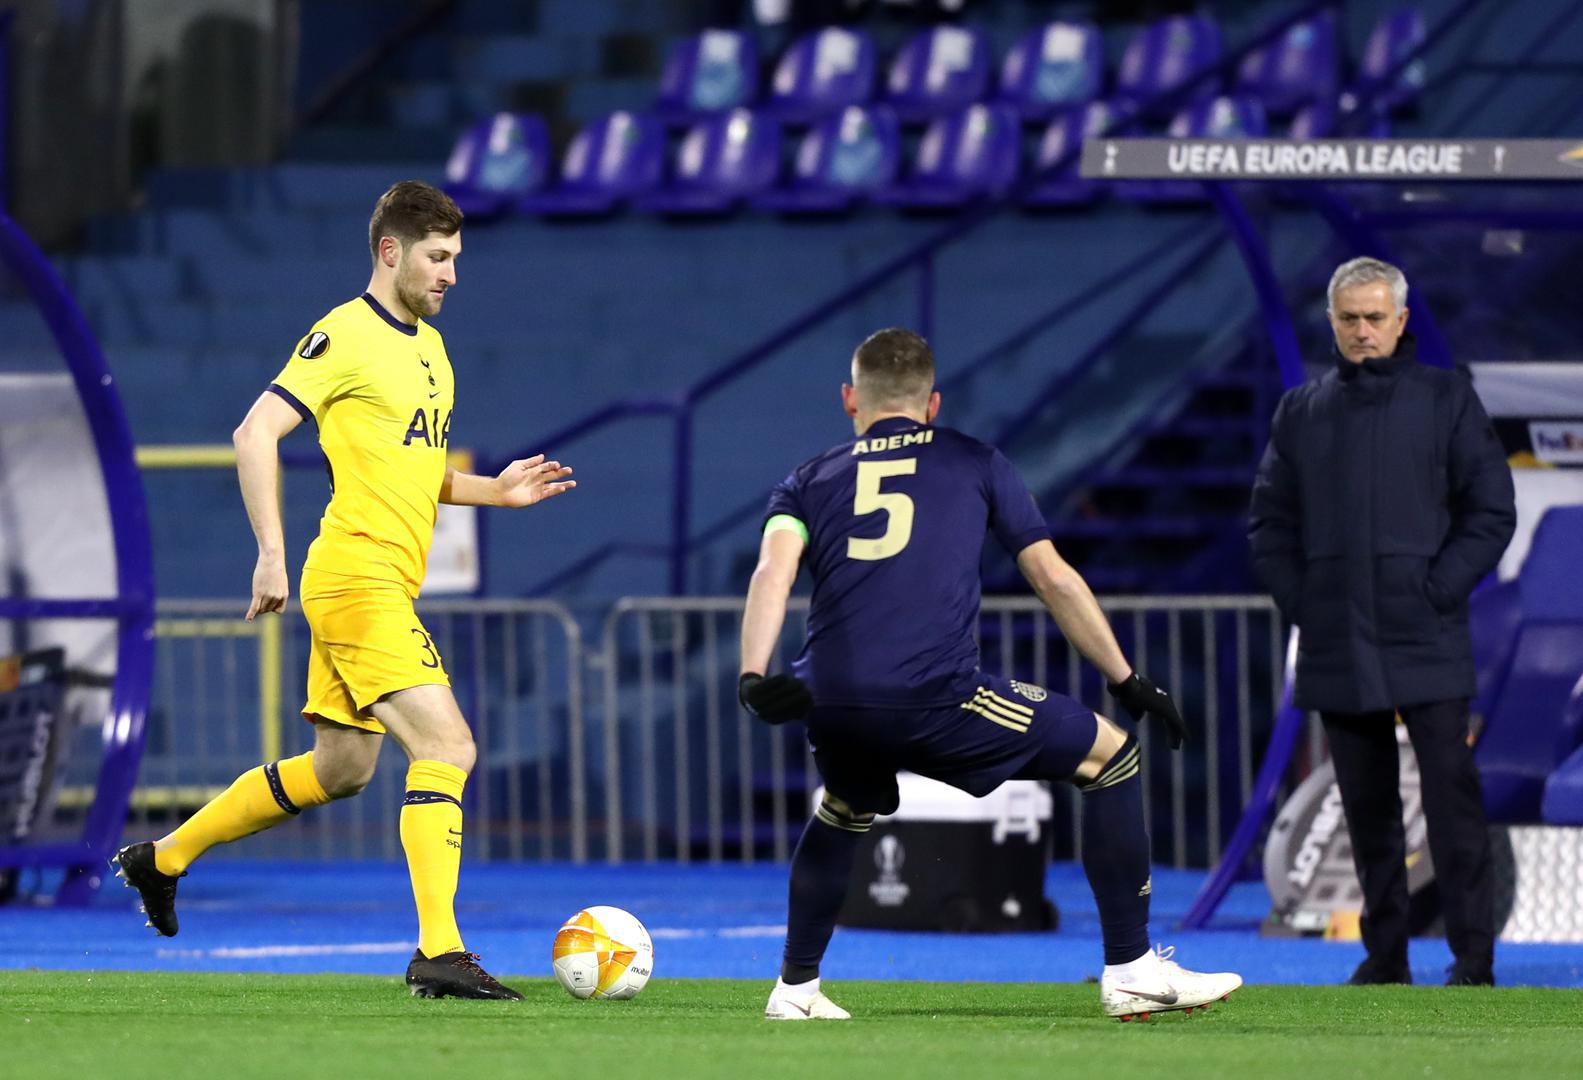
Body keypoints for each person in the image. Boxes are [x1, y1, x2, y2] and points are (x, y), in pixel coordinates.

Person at [112, 181, 576, 1001]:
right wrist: (270, 552)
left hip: (381, 580)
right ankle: (440, 951)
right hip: (357, 576)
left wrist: (495, 492)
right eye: (438, 257)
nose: (451, 274)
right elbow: (254, 431)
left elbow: (417, 470)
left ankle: (164, 857)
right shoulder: (345, 334)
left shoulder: (432, 350)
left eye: (456, 258)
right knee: (448, 748)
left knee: (341, 770)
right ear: (390, 252)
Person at [737, 327, 1241, 1021]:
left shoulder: (807, 478)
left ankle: (794, 991)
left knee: (845, 807)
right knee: (1111, 755)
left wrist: (751, 675)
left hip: (829, 699)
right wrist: (1126, 679)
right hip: (933, 693)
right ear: (933, 403)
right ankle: (1131, 969)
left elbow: (772, 571)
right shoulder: (975, 461)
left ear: (850, 399)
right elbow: (1052, 578)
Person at [1248, 256, 1515, 987]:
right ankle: (1386, 956)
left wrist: (1438, 590)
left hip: (1424, 630)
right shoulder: (1300, 410)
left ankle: (1473, 959)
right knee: (1365, 807)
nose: (1362, 330)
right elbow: (1269, 524)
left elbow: (1491, 511)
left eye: (1374, 317)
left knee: (1451, 801)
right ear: (1331, 322)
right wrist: (1305, 604)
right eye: (1349, 319)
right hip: (1337, 633)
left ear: (1400, 321)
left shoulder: (1445, 398)